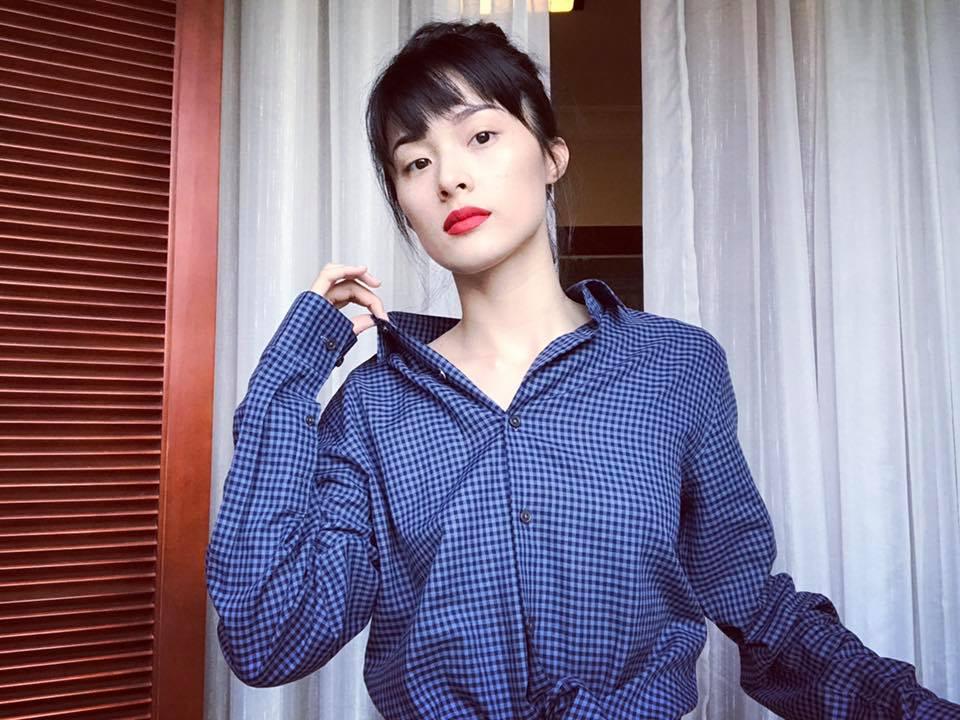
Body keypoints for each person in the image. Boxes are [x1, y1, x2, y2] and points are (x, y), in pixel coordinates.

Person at [205, 20, 960, 720]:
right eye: (416, 161)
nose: (449, 178)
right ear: (405, 204)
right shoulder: (374, 405)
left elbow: (759, 610)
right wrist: (292, 371)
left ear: (552, 157)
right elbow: (270, 639)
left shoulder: (675, 367)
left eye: (481, 136)